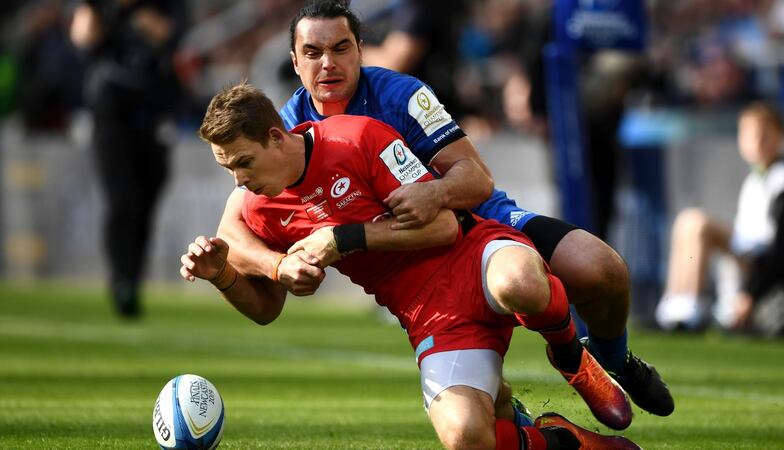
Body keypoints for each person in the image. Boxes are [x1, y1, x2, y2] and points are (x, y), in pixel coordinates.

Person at [216, 0, 673, 417]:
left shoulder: (401, 94)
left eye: (341, 48)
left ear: (361, 50)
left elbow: (476, 178)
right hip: (411, 271)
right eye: (313, 53)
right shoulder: (288, 131)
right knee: (469, 422)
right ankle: (532, 426)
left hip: (477, 225)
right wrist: (277, 266)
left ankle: (611, 361)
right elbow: (233, 225)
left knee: (601, 269)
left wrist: (433, 193)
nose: (328, 63)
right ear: (295, 62)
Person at [182, 82, 641, 450]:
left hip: (473, 255)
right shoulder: (263, 209)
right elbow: (265, 309)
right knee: (465, 437)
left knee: (520, 282)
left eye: (243, 162)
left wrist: (342, 238)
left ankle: (570, 357)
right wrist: (223, 276)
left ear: (277, 136)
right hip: (428, 315)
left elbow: (444, 228)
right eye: (228, 169)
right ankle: (569, 440)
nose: (239, 180)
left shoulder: (357, 136)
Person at [70, 0, 187, 317]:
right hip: (112, 122)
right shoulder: (99, 9)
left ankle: (133, 280)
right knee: (122, 203)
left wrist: (132, 10)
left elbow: (167, 34)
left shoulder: (160, 9)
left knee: (145, 208)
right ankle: (122, 281)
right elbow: (83, 39)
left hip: (153, 120)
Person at [656, 101, 784, 332]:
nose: (757, 143)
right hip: (746, 252)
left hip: (760, 260)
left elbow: (777, 247)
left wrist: (750, 292)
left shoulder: (780, 179)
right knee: (687, 221)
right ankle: (674, 305)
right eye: (749, 136)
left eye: (765, 136)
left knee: (699, 224)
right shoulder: (754, 180)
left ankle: (690, 308)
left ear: (779, 137)